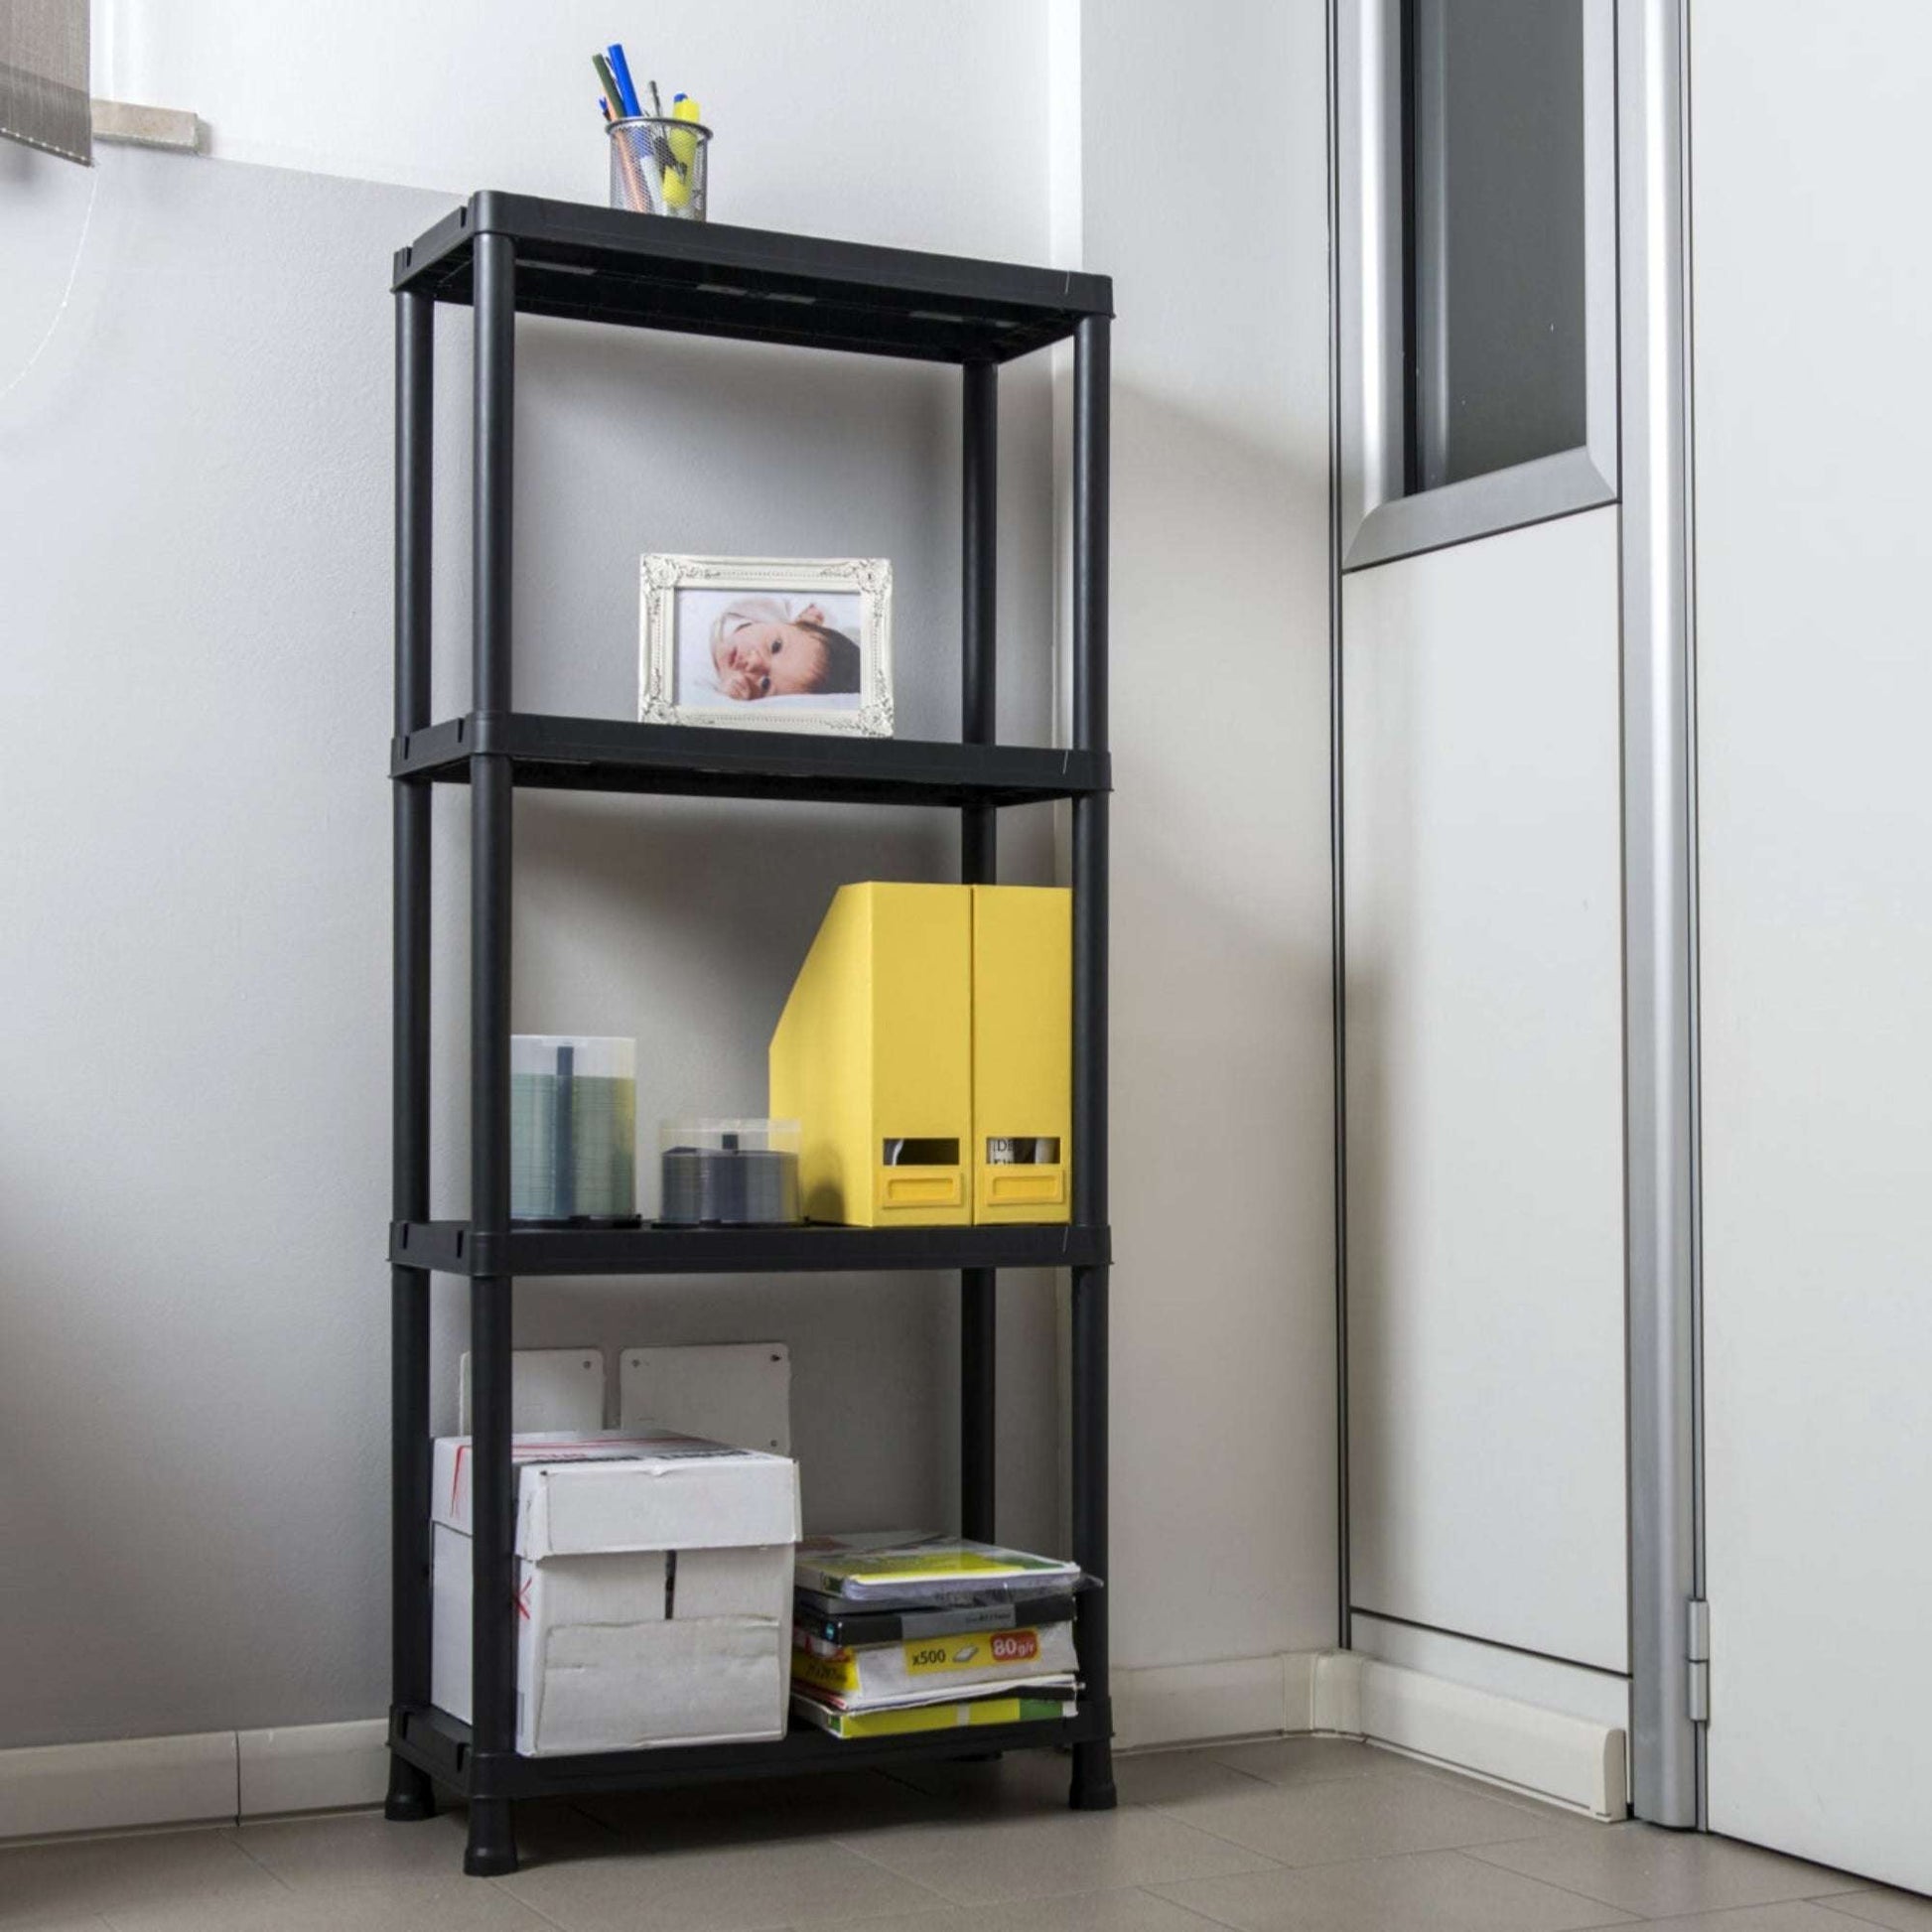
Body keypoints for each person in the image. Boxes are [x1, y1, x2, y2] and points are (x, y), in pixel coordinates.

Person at [708, 595, 862, 701]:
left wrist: (730, 693)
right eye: (775, 646)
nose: (754, 662)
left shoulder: (704, 674)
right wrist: (805, 615)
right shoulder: (766, 609)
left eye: (765, 684)